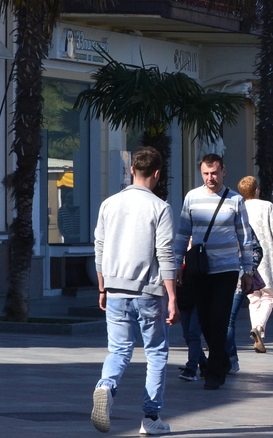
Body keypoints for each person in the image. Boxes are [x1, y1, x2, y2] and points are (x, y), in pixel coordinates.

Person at [91, 146, 178, 436]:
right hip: (148, 291)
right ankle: (151, 417)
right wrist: (172, 296)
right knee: (155, 353)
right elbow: (165, 253)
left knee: (118, 350)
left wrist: (102, 284)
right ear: (156, 173)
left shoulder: (109, 204)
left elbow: (99, 247)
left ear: (132, 171)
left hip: (114, 288)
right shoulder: (160, 207)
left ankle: (105, 386)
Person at [173, 154, 253, 391]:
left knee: (219, 319)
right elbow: (182, 232)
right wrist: (177, 264)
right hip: (199, 268)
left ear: (223, 171)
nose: (210, 178)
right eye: (206, 174)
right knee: (205, 320)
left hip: (226, 269)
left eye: (214, 173)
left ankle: (215, 372)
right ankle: (222, 360)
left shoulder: (235, 200)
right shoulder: (192, 197)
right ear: (201, 173)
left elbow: (245, 237)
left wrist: (247, 270)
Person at [236, 176, 273, 354]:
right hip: (266, 258)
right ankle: (259, 327)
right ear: (256, 190)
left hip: (247, 260)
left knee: (253, 298)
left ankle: (257, 333)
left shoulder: (239, 207)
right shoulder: (267, 206)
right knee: (269, 296)